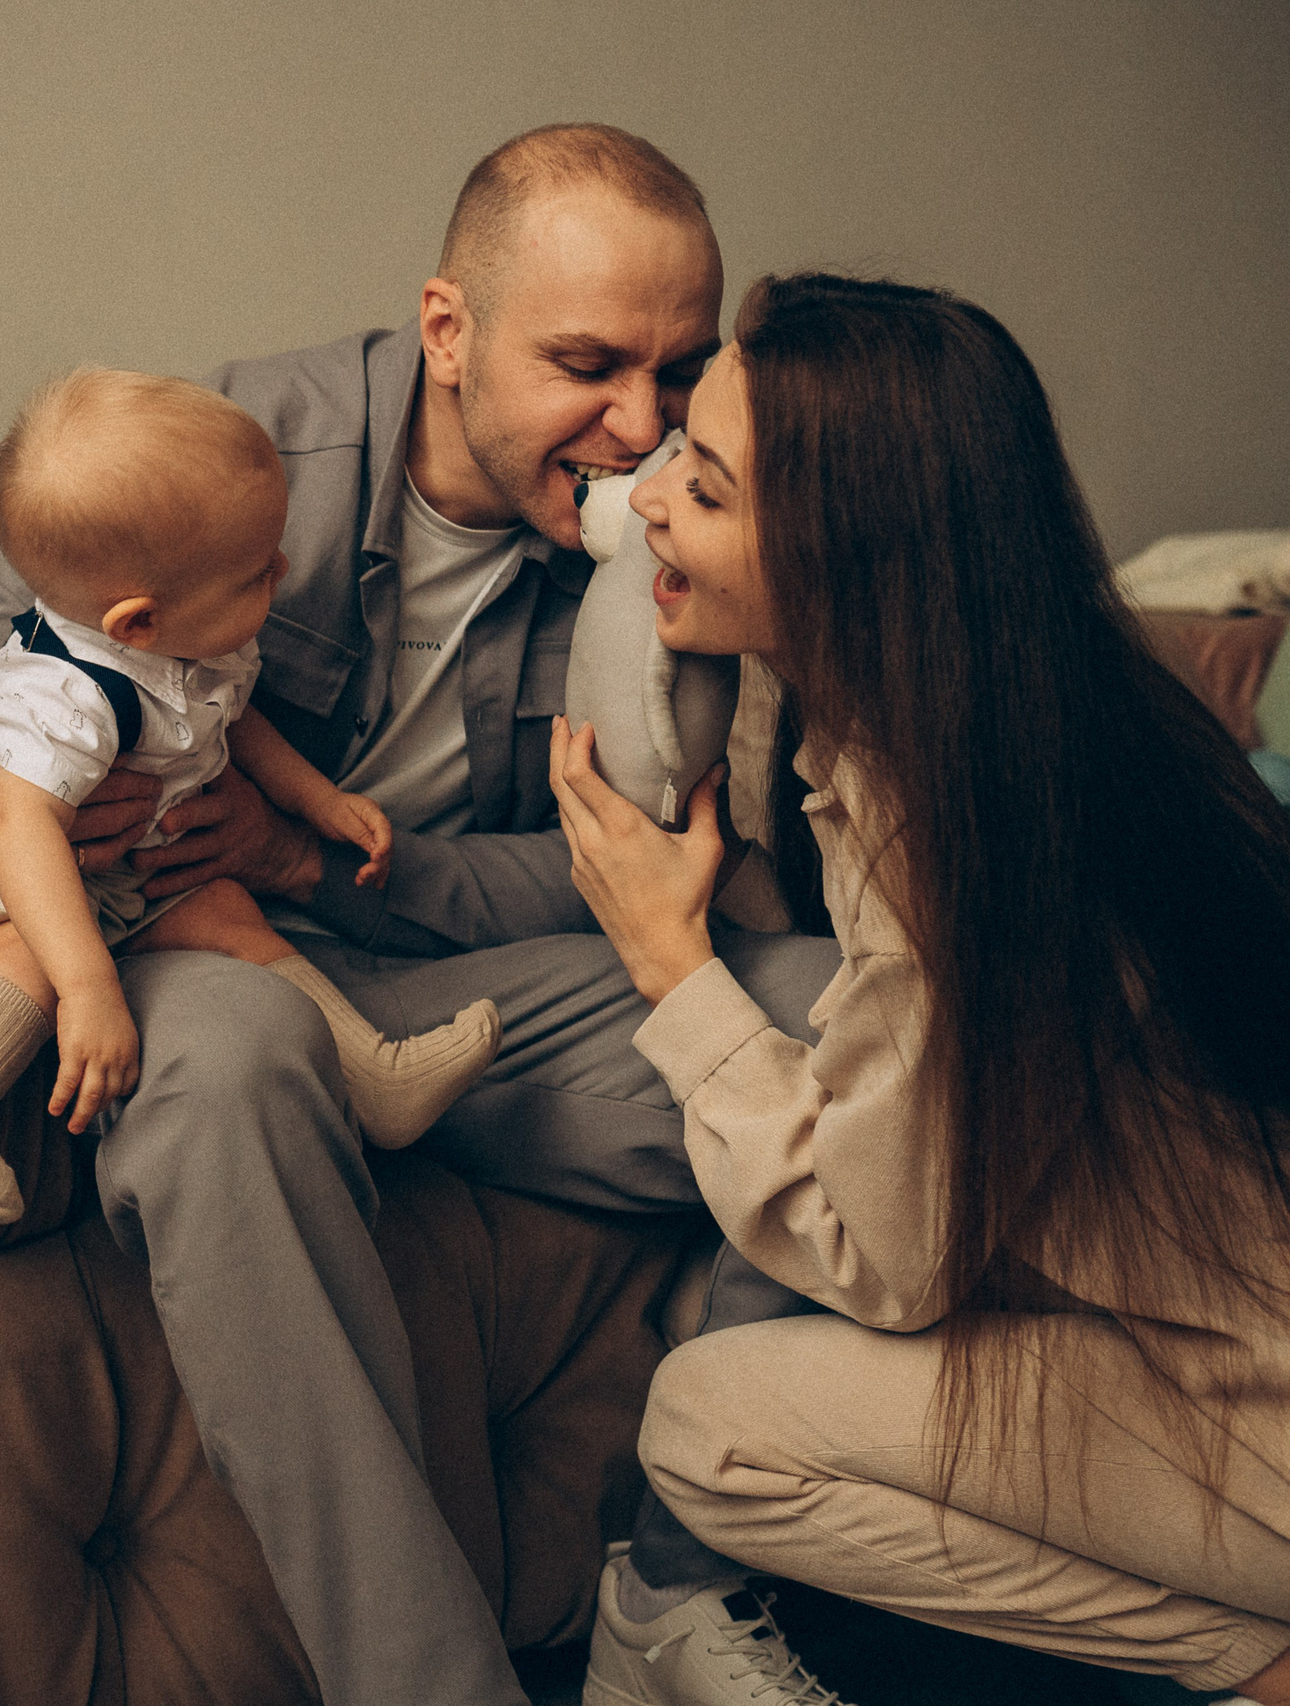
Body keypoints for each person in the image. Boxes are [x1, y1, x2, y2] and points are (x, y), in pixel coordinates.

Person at [0, 124, 846, 1706]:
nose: (642, 428)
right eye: (587, 364)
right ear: (447, 331)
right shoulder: (234, 452)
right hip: (205, 954)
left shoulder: (665, 540)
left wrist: (319, 865)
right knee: (220, 1068)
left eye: (680, 367)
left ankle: (676, 1593)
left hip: (441, 968)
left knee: (853, 1016)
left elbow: (622, 867)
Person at [552, 272, 1290, 1705]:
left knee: (709, 1429)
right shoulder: (1039, 702)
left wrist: (670, 963)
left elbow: (886, 1262)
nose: (646, 502)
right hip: (1215, 1339)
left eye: (700, 488)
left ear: (838, 554)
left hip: (1256, 1409)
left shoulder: (947, 830)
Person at [0, 368, 499, 1227]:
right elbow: (19, 834)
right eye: (255, 573)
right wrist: (89, 988)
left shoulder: (205, 637)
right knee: (30, 959)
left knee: (231, 910)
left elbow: (233, 721)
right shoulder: (70, 700)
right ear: (136, 625)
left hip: (116, 873)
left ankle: (374, 1080)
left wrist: (315, 801)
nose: (283, 571)